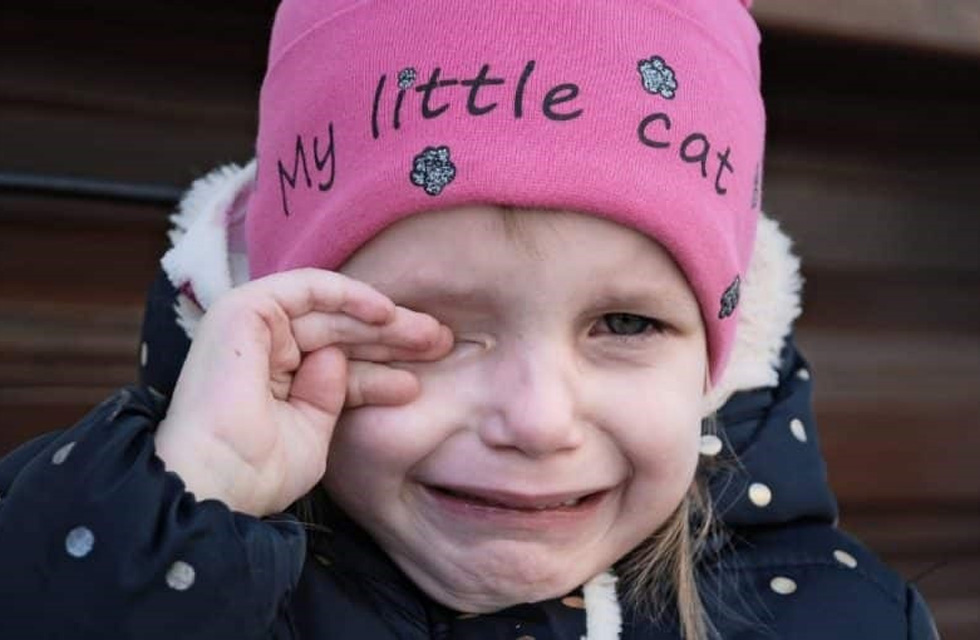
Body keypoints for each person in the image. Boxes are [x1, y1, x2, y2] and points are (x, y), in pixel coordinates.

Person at [0, 1, 939, 638]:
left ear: (719, 354)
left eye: (625, 323)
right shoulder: (107, 563)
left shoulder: (840, 615)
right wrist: (183, 508)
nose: (536, 421)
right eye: (427, 324)